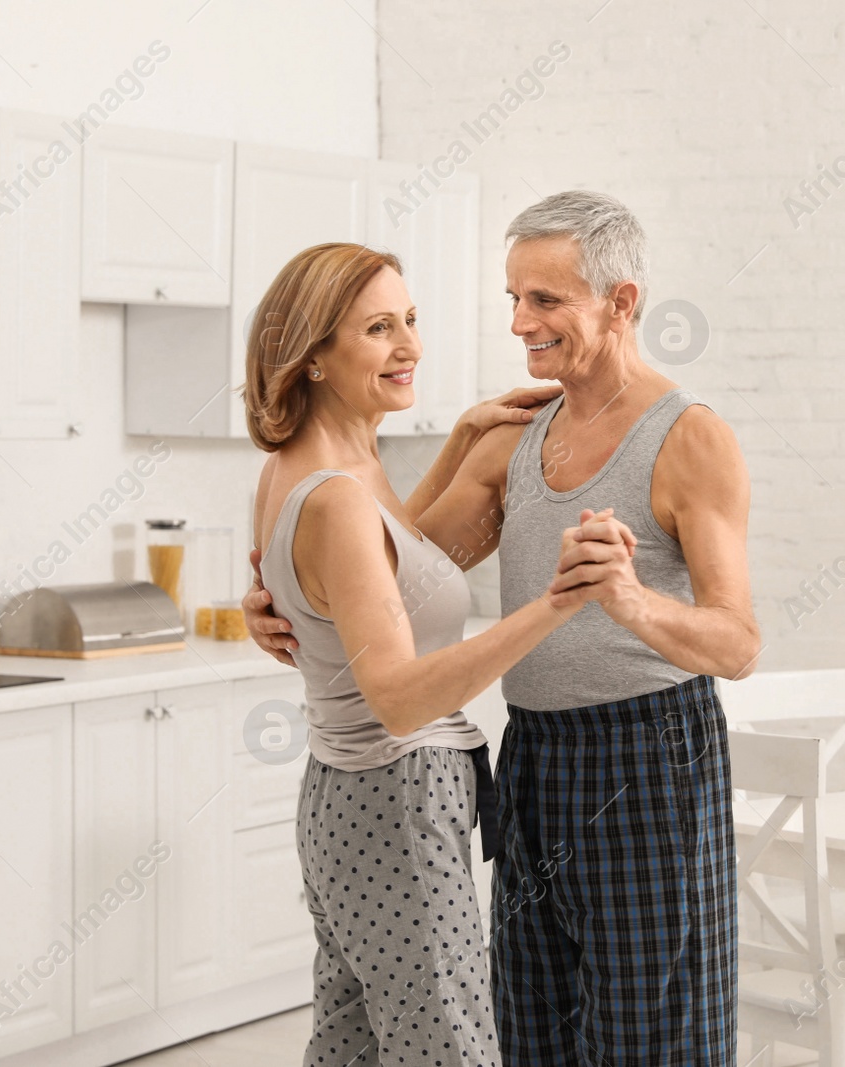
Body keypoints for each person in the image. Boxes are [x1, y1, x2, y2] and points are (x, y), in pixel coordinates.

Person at [246, 192, 762, 1066]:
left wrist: (626, 598)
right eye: (514, 298)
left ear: (621, 302)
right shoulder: (514, 436)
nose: (522, 321)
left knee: (653, 1040)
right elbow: (395, 561)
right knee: (526, 1034)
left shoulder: (690, 438)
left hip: (649, 756)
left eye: (546, 301)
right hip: (531, 757)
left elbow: (738, 643)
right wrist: (283, 595)